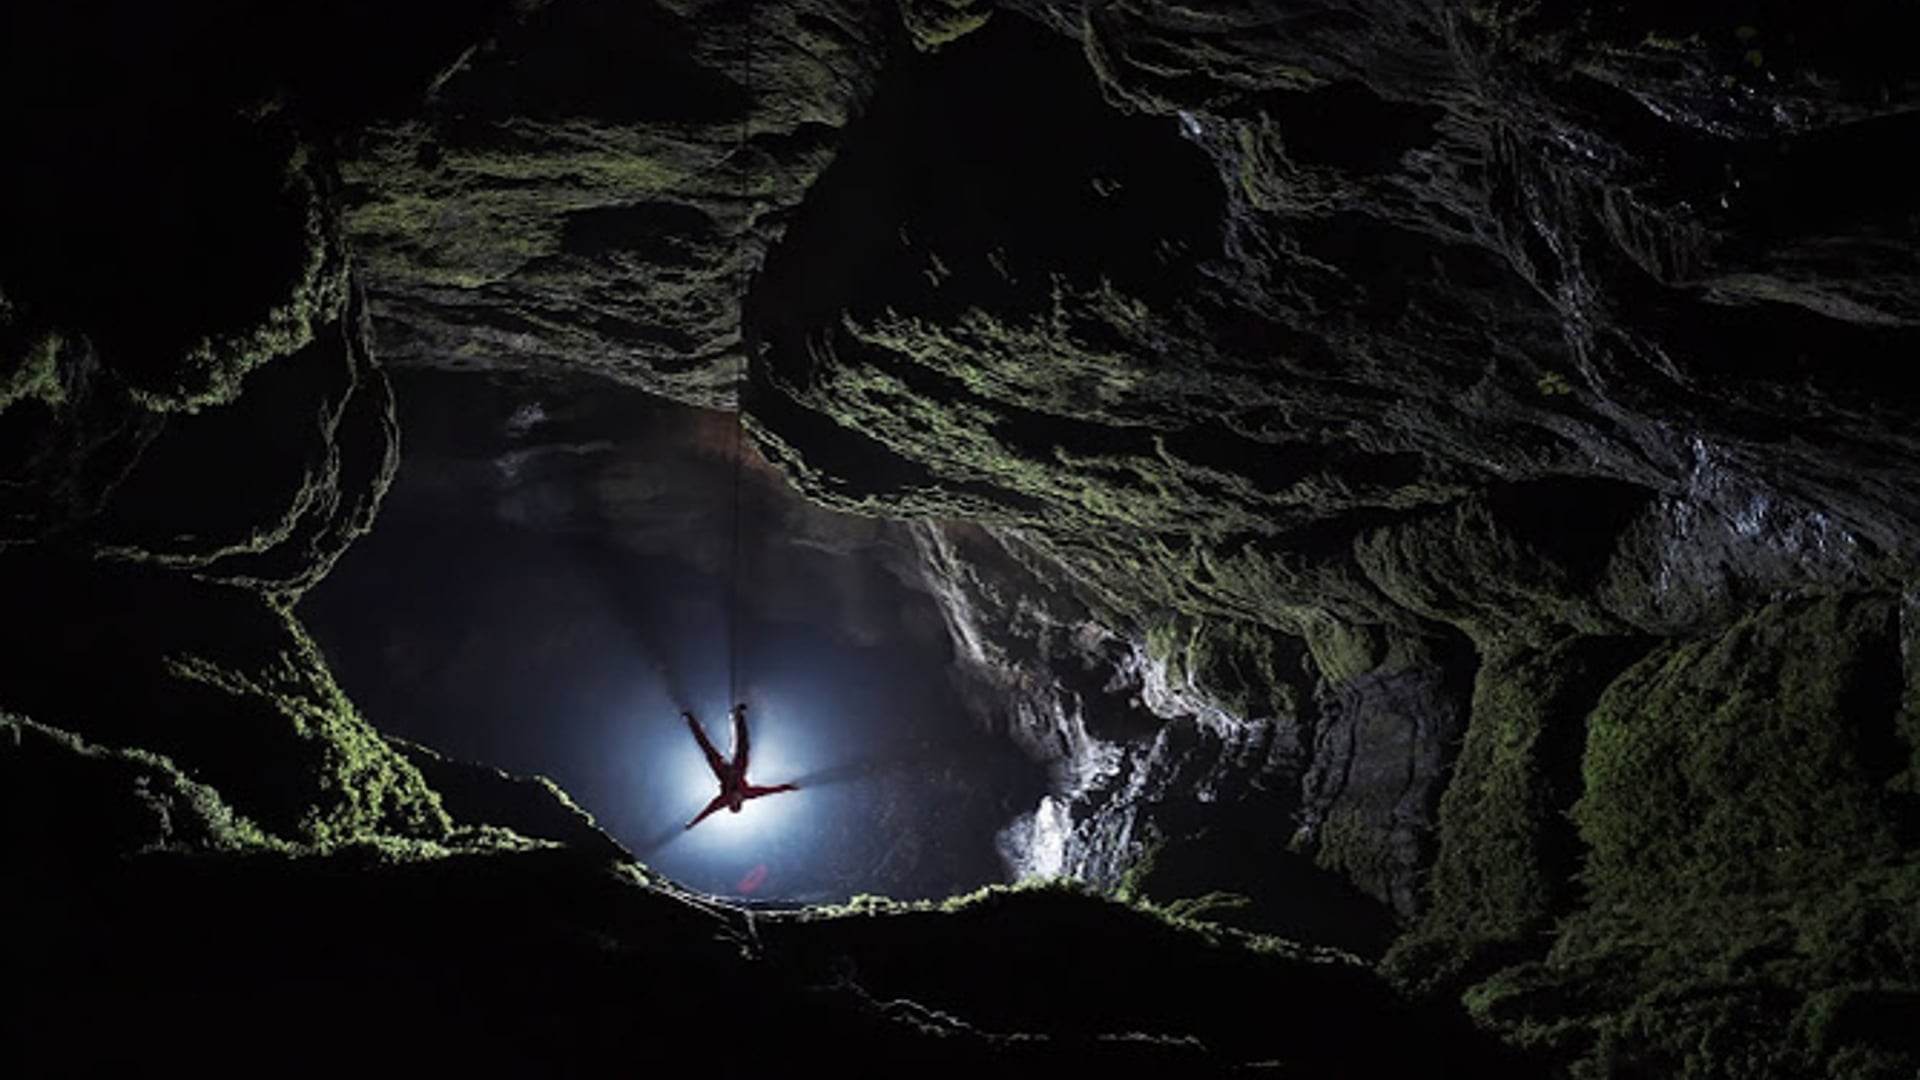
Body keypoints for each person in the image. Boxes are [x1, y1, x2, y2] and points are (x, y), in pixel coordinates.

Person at [683, 703, 799, 830]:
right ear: (741, 801)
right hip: (738, 770)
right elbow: (769, 791)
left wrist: (692, 823)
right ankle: (738, 715)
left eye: (733, 801)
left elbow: (708, 811)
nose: (735, 797)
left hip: (723, 773)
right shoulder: (748, 794)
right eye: (737, 800)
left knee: (707, 748)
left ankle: (690, 720)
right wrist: (787, 787)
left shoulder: (723, 800)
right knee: (743, 747)